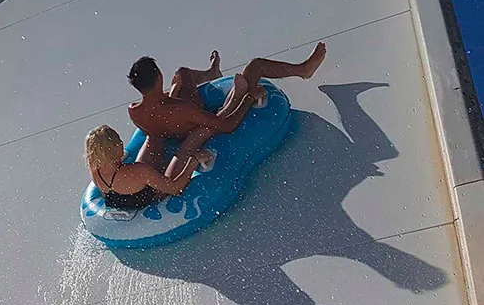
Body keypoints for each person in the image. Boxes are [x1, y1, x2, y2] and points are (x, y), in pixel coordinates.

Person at [87, 44, 328, 209]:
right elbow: (226, 126)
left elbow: (161, 112)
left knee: (182, 75)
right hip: (179, 146)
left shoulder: (134, 112)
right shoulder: (180, 111)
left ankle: (213, 73)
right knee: (252, 70)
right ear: (159, 77)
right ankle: (301, 71)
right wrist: (247, 99)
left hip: (162, 134)